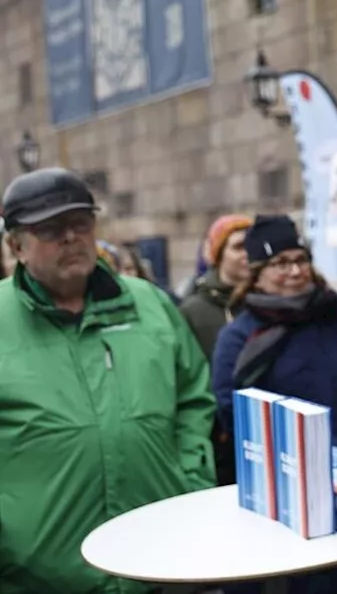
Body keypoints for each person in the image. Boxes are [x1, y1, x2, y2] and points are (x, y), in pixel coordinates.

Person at [0, 168, 216, 593]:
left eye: (80, 223)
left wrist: (190, 476)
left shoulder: (149, 304)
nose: (71, 237)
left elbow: (194, 398)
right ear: (16, 246)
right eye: (50, 229)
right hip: (41, 573)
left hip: (161, 560)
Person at [212, 215, 337, 594]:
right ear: (258, 273)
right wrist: (306, 460)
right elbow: (234, 408)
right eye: (281, 263)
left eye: (301, 259)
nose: (295, 271)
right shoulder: (238, 337)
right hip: (276, 492)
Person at [179, 214, 255, 486]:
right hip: (216, 437)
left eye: (252, 245)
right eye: (237, 246)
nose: (247, 253)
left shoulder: (265, 303)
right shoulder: (193, 310)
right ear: (218, 254)